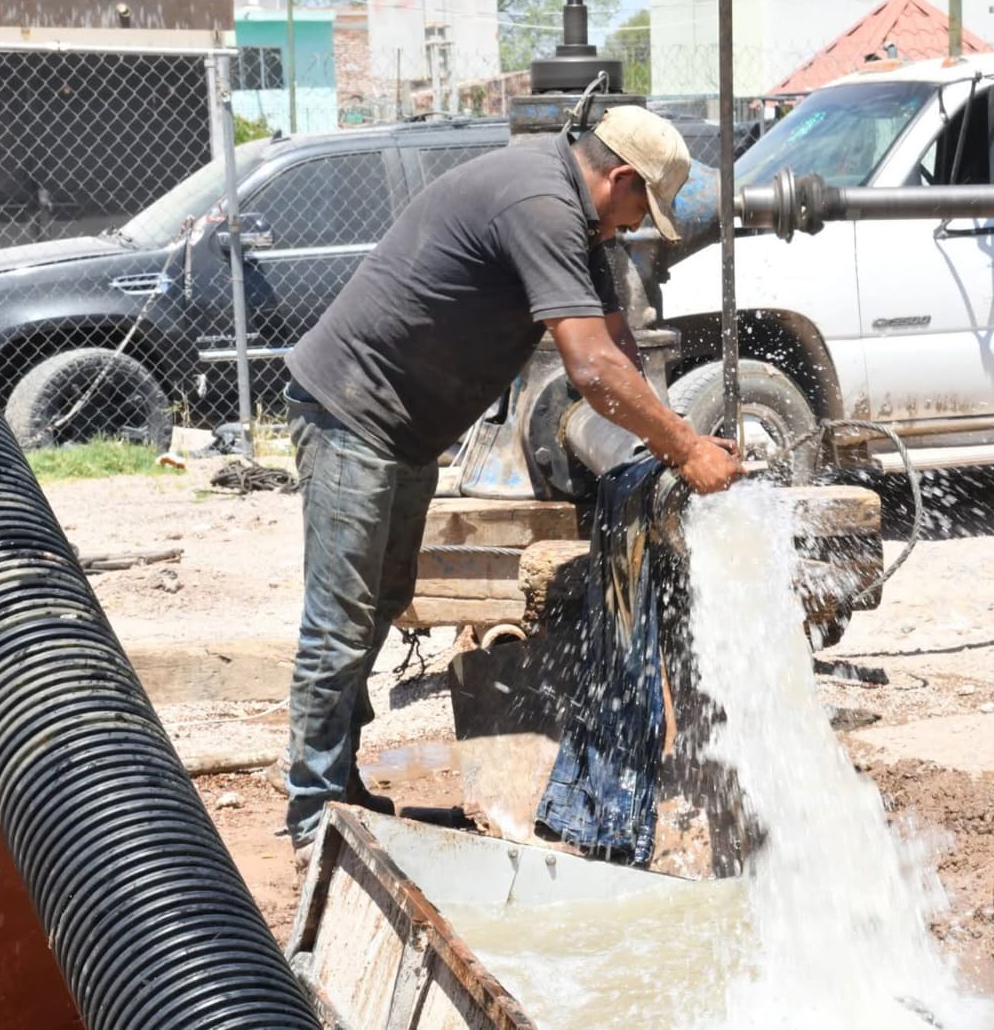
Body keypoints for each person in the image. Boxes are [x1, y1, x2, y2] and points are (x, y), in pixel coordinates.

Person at [280, 106, 743, 866]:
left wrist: (670, 437)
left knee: (379, 603)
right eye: (640, 209)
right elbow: (589, 367)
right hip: (350, 412)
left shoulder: (578, 215)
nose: (634, 228)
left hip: (401, 428)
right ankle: (310, 815)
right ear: (619, 178)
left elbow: (615, 342)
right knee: (340, 620)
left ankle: (339, 785)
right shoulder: (542, 205)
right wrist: (684, 448)